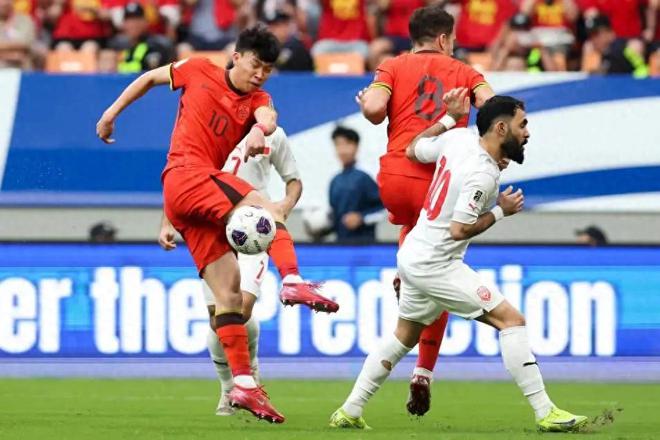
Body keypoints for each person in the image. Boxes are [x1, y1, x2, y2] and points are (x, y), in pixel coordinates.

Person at [96, 25, 335, 424]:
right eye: (255, 65)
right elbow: (149, 78)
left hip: (190, 199)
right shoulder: (198, 69)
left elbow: (268, 117)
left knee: (229, 297)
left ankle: (242, 384)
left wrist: (259, 129)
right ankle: (292, 278)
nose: (260, 74)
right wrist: (110, 113)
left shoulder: (258, 99)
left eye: (268, 69)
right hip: (187, 175)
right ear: (236, 56)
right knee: (265, 211)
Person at [330, 95, 588, 433]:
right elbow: (459, 229)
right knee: (511, 320)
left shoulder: (458, 137)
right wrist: (501, 211)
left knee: (404, 336)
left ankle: (349, 410)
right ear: (500, 128)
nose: (527, 132)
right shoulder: (483, 174)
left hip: (413, 252)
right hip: (437, 264)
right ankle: (545, 412)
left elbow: (413, 149)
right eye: (522, 124)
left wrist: (448, 119)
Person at [355, 3, 495, 416]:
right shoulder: (465, 72)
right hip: (440, 184)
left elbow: (374, 110)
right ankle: (423, 371)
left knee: (418, 246)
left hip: (396, 177)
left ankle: (405, 269)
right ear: (443, 38)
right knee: (440, 272)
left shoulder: (391, 66)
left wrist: (367, 102)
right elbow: (492, 108)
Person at [159, 126, 306, 416]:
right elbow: (181, 178)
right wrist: (167, 222)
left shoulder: (274, 135)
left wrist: (284, 207)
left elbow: (294, 181)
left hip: (254, 231)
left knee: (242, 308)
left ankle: (248, 373)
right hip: (212, 227)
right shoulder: (211, 128)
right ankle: (229, 387)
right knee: (219, 318)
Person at [328, 126, 385, 243]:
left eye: (347, 144)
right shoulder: (334, 181)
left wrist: (361, 218)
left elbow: (383, 209)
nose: (342, 150)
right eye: (338, 144)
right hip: (340, 245)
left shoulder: (364, 178)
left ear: (356, 146)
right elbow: (334, 216)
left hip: (364, 245)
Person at [113, 3, 173, 73]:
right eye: (129, 20)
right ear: (123, 24)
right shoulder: (117, 46)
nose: (133, 24)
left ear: (145, 22)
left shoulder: (156, 46)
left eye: (137, 19)